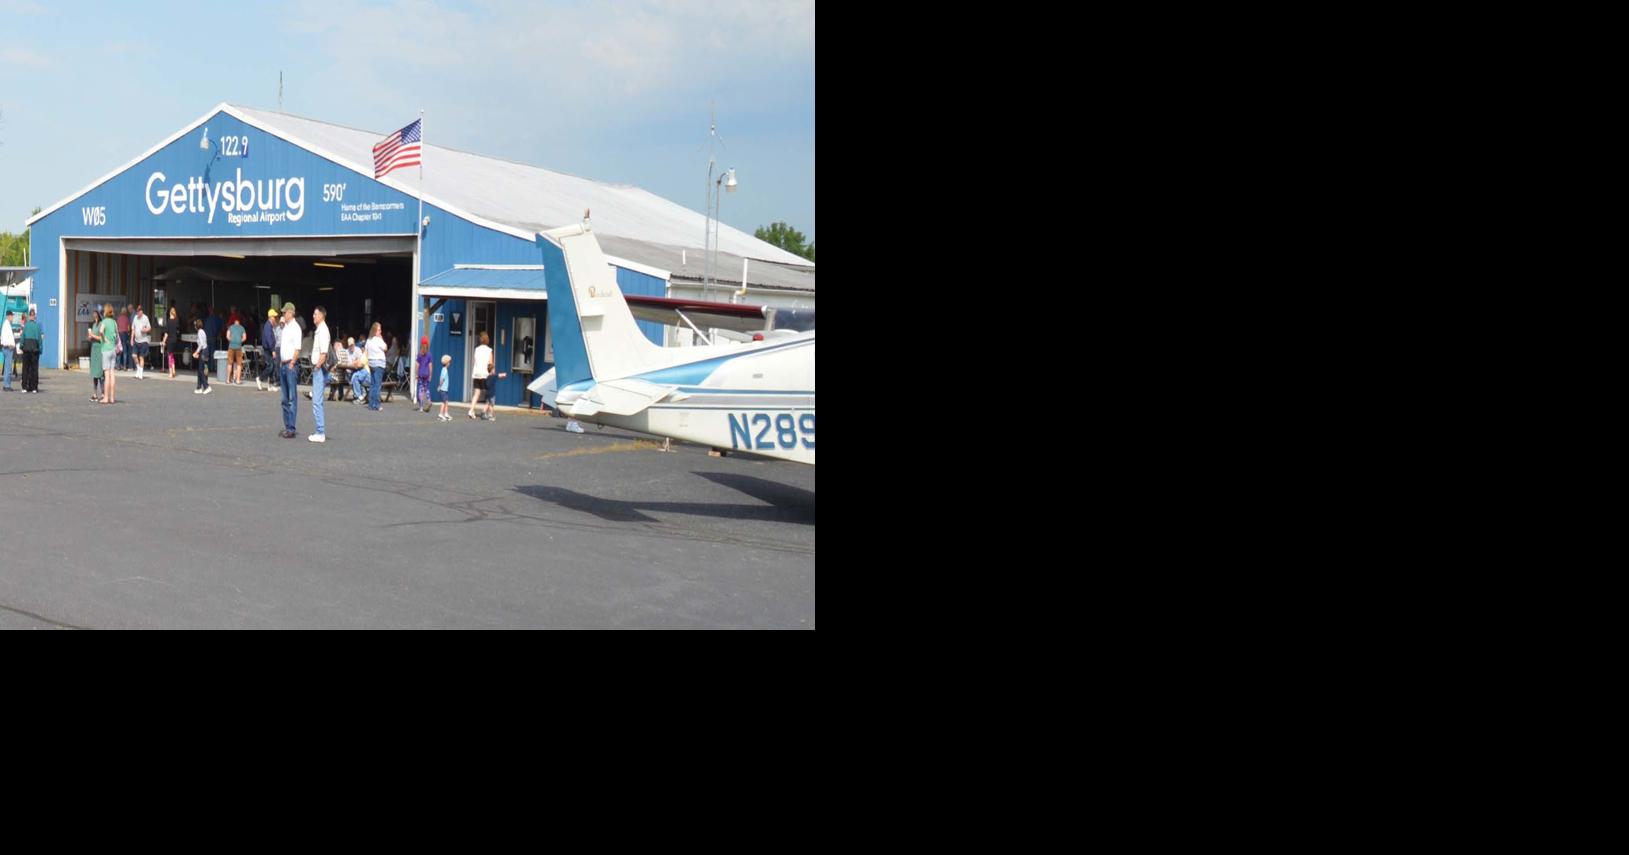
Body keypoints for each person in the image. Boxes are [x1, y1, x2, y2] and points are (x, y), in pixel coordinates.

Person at [468, 331, 508, 421]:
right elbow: (490, 363)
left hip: (476, 374)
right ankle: (485, 412)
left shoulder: (476, 349)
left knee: (476, 393)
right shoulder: (489, 350)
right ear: (487, 340)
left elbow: (475, 361)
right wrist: (493, 372)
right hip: (485, 374)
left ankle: (471, 410)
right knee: (489, 395)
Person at [277, 302, 301, 437]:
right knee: (284, 398)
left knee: (292, 397)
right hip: (284, 363)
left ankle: (291, 427)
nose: (283, 315)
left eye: (284, 313)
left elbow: (298, 348)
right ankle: (287, 426)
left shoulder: (295, 328)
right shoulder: (285, 327)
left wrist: (292, 362)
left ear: (291, 313)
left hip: (290, 364)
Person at [308, 306, 330, 444]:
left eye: (315, 314)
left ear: (322, 315)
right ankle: (319, 430)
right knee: (317, 400)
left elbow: (324, 353)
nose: (313, 316)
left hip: (319, 369)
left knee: (317, 401)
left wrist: (316, 367)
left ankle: (320, 432)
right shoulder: (320, 330)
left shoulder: (322, 330)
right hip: (319, 368)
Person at [98, 304, 120, 404]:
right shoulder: (114, 322)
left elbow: (101, 331)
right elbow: (117, 336)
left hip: (106, 349)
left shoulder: (104, 321)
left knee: (106, 375)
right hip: (113, 349)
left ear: (105, 312)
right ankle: (112, 398)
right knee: (112, 373)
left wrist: (104, 339)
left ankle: (106, 397)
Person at [19, 310, 43, 393]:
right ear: (34, 316)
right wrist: (40, 350)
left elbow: (22, 338)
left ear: (29, 316)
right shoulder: (37, 327)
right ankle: (34, 388)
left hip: (26, 350)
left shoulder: (26, 326)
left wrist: (21, 346)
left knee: (25, 369)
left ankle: (24, 387)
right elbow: (40, 340)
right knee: (34, 369)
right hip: (35, 351)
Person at [366, 323, 387, 411]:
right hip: (379, 363)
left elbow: (366, 350)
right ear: (375, 331)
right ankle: (377, 404)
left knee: (372, 384)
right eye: (379, 330)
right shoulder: (378, 340)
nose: (380, 331)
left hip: (371, 363)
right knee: (377, 385)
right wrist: (382, 338)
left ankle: (371, 404)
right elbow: (385, 348)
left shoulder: (369, 340)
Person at [258, 308, 279, 391]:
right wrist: (273, 350)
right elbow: (269, 339)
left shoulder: (269, 325)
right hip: (268, 349)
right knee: (270, 366)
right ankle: (260, 378)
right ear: (271, 317)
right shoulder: (268, 326)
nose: (275, 318)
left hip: (269, 349)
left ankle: (269, 385)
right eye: (274, 317)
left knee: (272, 366)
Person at [88, 309, 105, 402]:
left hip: (99, 349)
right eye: (93, 314)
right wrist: (90, 337)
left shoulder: (102, 324)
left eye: (95, 314)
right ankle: (94, 394)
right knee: (94, 373)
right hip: (93, 349)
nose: (94, 316)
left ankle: (103, 393)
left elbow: (101, 338)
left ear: (98, 315)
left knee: (100, 373)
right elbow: (92, 337)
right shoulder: (93, 325)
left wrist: (93, 336)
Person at [192, 318, 212, 395]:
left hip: (203, 351)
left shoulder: (200, 332)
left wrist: (196, 352)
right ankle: (199, 387)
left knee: (201, 370)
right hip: (206, 351)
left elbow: (201, 344)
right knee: (204, 369)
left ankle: (206, 386)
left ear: (196, 326)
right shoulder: (203, 331)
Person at [131, 305, 151, 379]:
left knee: (141, 357)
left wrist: (145, 330)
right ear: (137, 312)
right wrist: (131, 339)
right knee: (134, 355)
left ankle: (140, 373)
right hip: (136, 340)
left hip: (143, 341)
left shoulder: (145, 318)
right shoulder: (135, 318)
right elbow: (133, 329)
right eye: (138, 311)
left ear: (142, 312)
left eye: (141, 311)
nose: (139, 313)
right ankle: (139, 369)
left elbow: (149, 328)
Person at [348, 337, 370, 404]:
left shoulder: (365, 355)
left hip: (368, 376)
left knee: (355, 377)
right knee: (356, 375)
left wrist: (355, 363)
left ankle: (360, 397)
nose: (361, 348)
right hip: (369, 375)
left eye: (362, 347)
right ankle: (361, 395)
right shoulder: (367, 354)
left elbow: (359, 365)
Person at [226, 314, 246, 384]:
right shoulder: (242, 328)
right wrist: (240, 341)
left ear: (234, 322)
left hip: (231, 347)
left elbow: (227, 336)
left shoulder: (230, 327)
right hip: (238, 347)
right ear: (239, 322)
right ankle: (237, 380)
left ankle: (228, 380)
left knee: (229, 363)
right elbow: (244, 337)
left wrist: (231, 340)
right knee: (239, 364)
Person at [416, 336, 432, 412]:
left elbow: (417, 365)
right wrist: (430, 375)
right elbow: (430, 366)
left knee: (420, 390)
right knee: (427, 389)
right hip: (427, 373)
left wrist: (416, 374)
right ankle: (429, 401)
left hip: (421, 374)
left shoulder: (419, 354)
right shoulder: (429, 354)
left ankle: (421, 407)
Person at [164, 306, 180, 379]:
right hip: (175, 340)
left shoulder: (169, 321)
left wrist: (164, 340)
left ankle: (170, 372)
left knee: (169, 356)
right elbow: (178, 330)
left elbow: (167, 333)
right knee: (172, 355)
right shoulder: (177, 320)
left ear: (170, 313)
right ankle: (173, 370)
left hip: (170, 340)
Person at [1, 310, 15, 392]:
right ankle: (7, 385)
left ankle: (6, 384)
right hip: (8, 348)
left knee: (7, 367)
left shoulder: (7, 324)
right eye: (12, 316)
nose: (12, 317)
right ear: (8, 316)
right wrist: (9, 345)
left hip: (7, 348)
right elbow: (5, 338)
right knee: (8, 368)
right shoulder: (6, 325)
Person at [436, 354, 452, 421]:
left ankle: (445, 413)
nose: (450, 363)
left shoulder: (444, 369)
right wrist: (439, 386)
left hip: (444, 389)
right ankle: (441, 414)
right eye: (449, 362)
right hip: (443, 389)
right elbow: (442, 379)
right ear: (447, 363)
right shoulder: (445, 370)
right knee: (444, 402)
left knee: (445, 402)